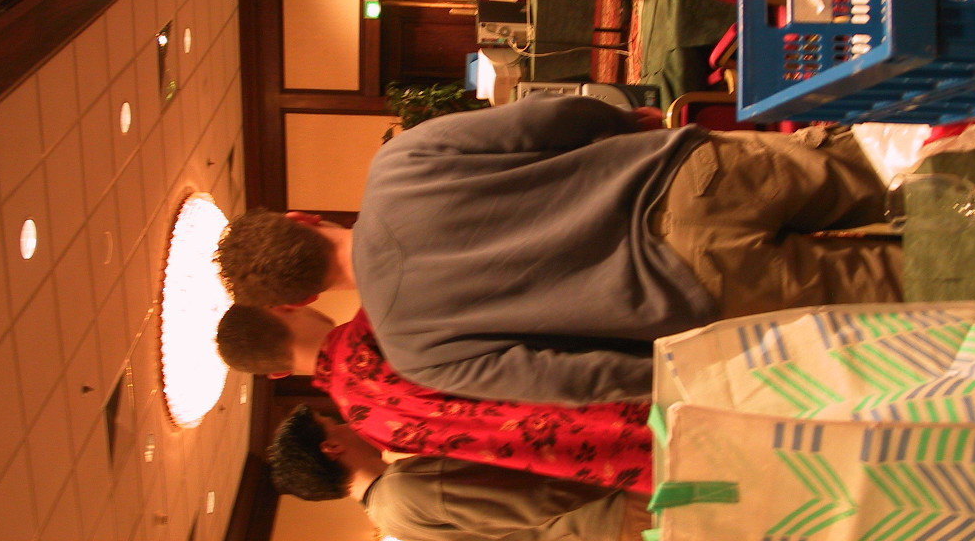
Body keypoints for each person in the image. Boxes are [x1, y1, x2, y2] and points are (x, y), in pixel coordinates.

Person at [217, 94, 902, 406]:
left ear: (300, 298)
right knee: (889, 167)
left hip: (696, 289)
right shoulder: (399, 166)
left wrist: (678, 367)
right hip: (688, 176)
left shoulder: (414, 351)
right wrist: (623, 122)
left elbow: (573, 379)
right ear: (301, 218)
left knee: (905, 284)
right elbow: (545, 120)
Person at [217, 303, 653, 491]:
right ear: (283, 306)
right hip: (618, 376)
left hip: (606, 458)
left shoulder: (367, 425)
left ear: (276, 372)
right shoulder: (378, 320)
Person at [268, 403, 653, 541]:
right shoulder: (402, 490)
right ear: (331, 448)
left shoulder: (390, 515)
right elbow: (538, 495)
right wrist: (624, 461)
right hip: (613, 510)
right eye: (334, 423)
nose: (347, 424)